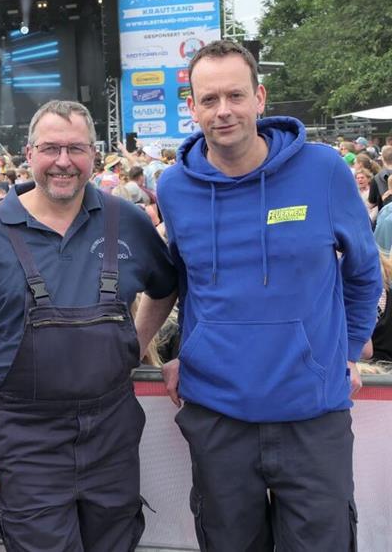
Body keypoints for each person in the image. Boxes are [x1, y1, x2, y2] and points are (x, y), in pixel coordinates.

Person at [156, 39, 382, 551]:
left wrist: (346, 351)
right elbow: (187, 282)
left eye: (235, 95)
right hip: (218, 418)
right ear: (191, 107)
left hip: (312, 419)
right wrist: (183, 352)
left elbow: (365, 274)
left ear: (260, 97)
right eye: (209, 100)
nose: (224, 111)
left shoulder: (322, 171)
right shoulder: (173, 187)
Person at [0, 101, 177, 551]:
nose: (63, 161)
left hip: (112, 432)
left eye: (76, 148)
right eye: (50, 149)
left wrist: (134, 343)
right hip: (26, 439)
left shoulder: (128, 222)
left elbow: (167, 287)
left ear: (94, 154)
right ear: (29, 154)